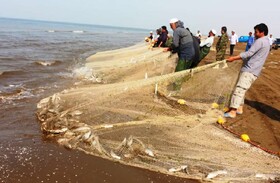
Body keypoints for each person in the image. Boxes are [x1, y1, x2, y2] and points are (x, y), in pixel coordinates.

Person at [224, 23, 270, 118]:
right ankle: (239, 108)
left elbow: (249, 53)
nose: (254, 34)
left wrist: (234, 58)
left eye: (256, 32)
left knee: (239, 89)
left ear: (262, 32)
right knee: (242, 89)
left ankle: (233, 111)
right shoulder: (267, 42)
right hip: (254, 71)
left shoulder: (260, 41)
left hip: (249, 70)